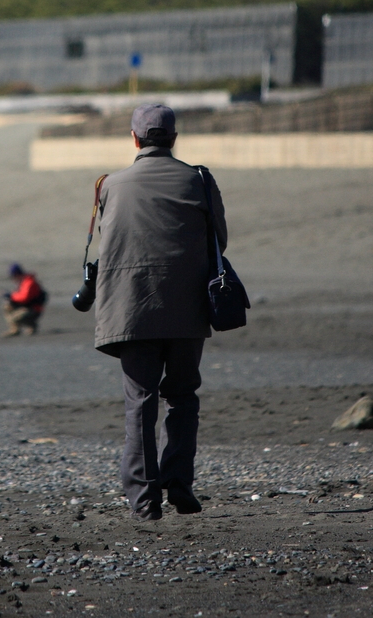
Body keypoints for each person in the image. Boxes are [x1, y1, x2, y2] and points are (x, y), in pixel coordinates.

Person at [93, 103, 227, 521]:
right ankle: (180, 483)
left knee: (140, 402)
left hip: (131, 309)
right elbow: (220, 241)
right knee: (183, 396)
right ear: (173, 138)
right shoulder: (198, 180)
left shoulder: (111, 184)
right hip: (187, 309)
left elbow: (109, 240)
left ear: (134, 139)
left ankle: (143, 500)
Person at [2, 263, 47, 337]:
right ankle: (15, 329)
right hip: (26, 307)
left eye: (13, 276)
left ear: (17, 274)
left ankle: (31, 325)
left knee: (13, 318)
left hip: (34, 309)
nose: (13, 279)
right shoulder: (22, 282)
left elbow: (24, 298)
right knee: (7, 306)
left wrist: (11, 296)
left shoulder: (29, 282)